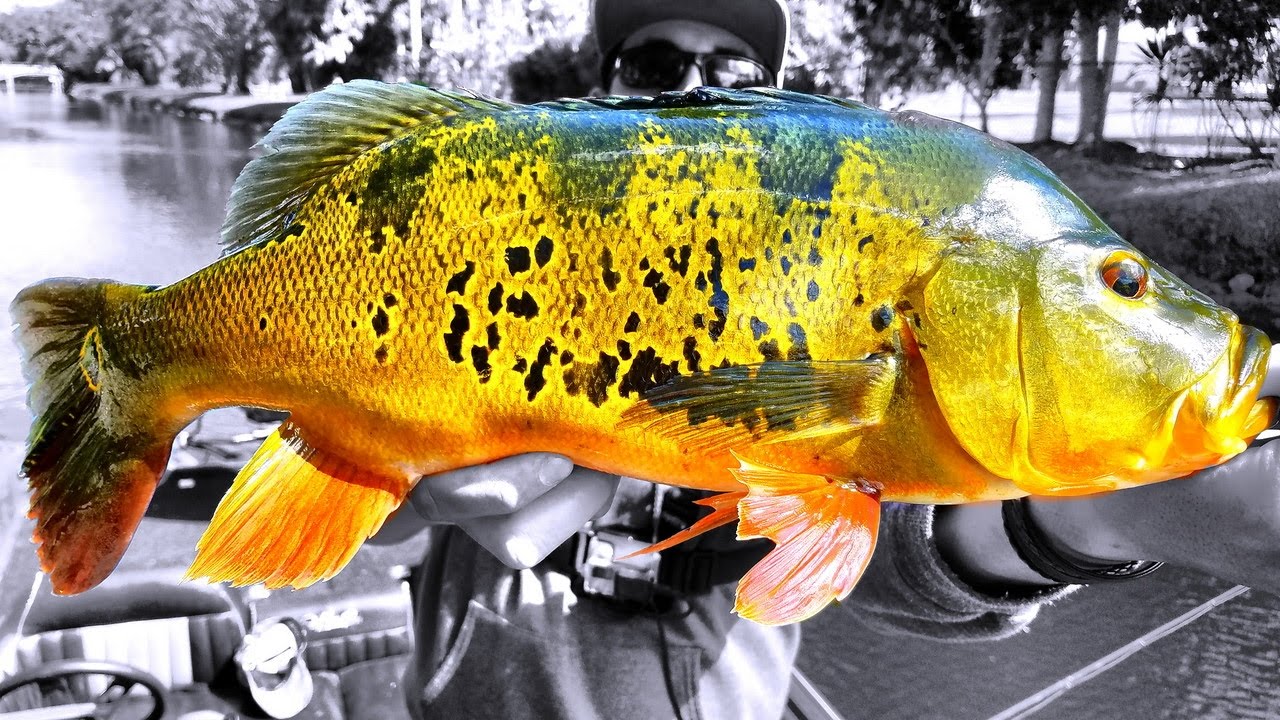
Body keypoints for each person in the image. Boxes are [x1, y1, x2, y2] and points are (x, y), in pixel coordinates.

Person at [373, 2, 1280, 718]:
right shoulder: (492, 226)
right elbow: (362, 506)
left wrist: (1104, 524)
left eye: (730, 73)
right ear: (604, 86)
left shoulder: (842, 255)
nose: (692, 89)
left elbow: (894, 536)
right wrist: (384, 493)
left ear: (771, 98)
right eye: (654, 66)